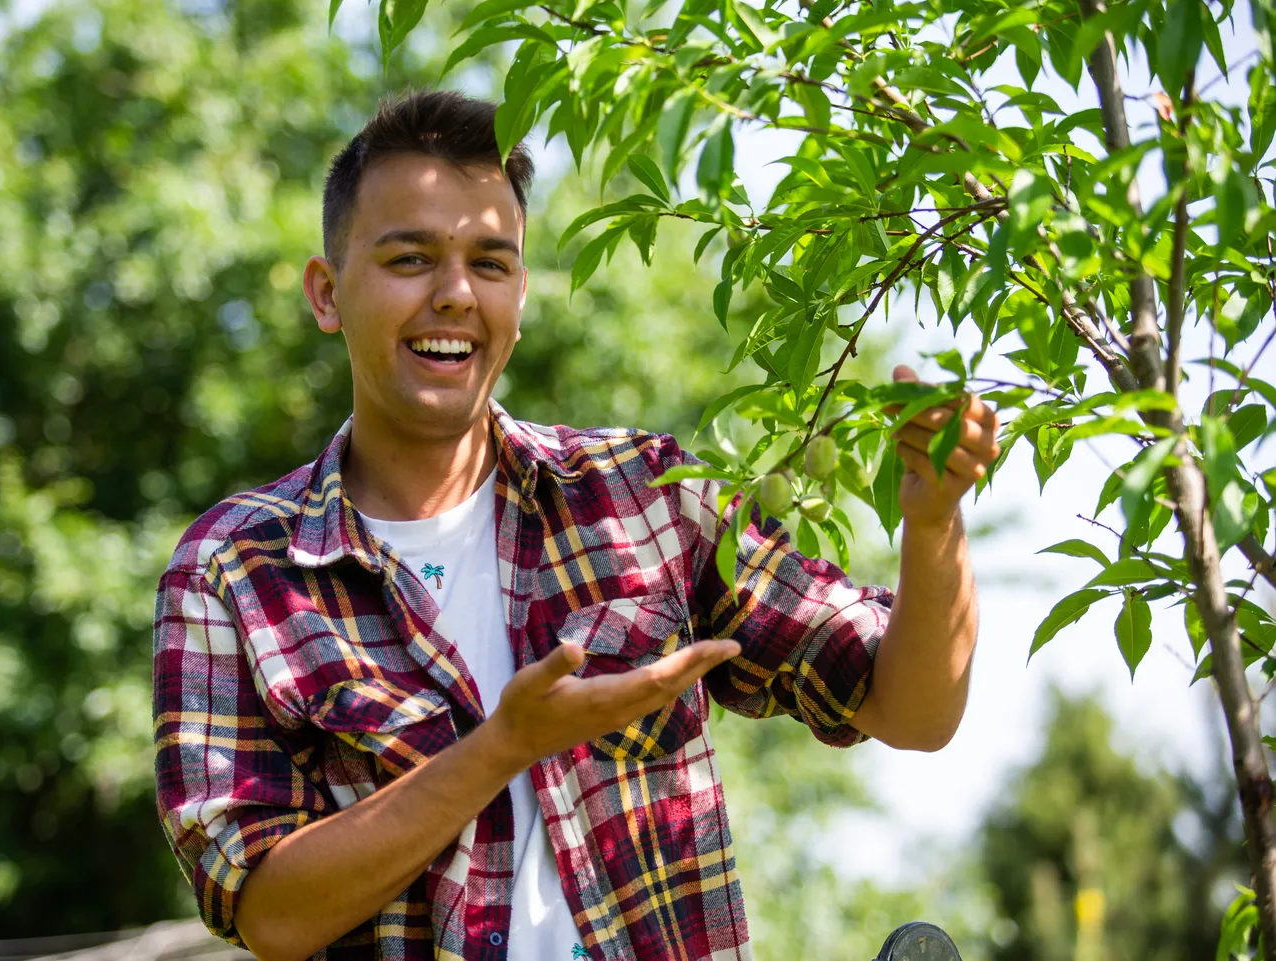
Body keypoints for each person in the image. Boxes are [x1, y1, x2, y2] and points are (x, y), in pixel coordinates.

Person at [152, 90, 1000, 961]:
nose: (454, 295)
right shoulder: (234, 570)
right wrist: (504, 747)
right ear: (326, 294)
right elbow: (268, 911)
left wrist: (933, 523)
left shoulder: (647, 496)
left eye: (490, 262)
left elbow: (913, 710)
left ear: (520, 292)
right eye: (410, 259)